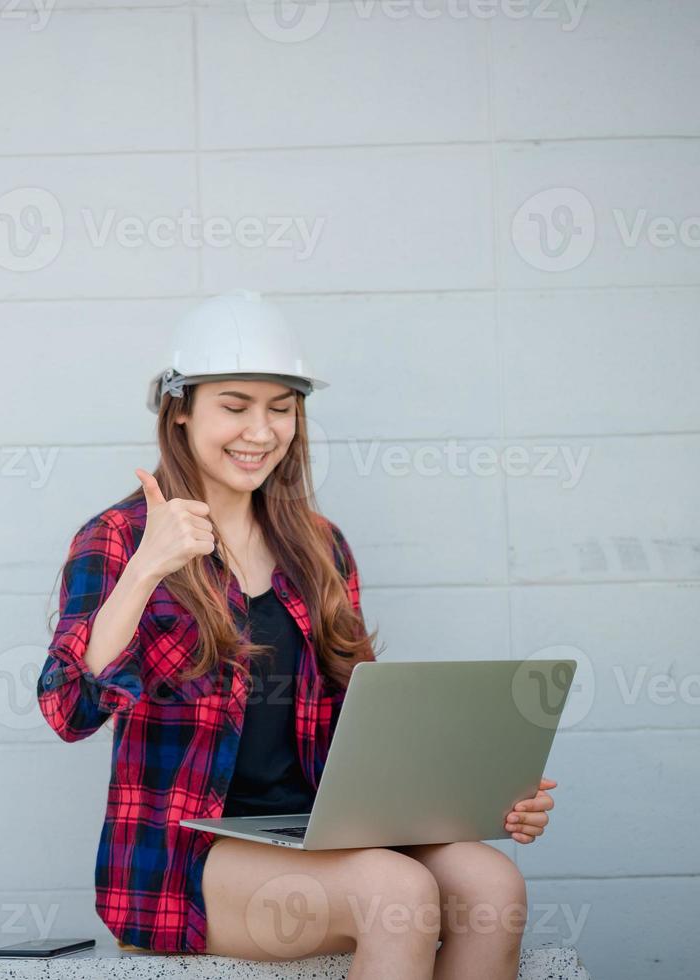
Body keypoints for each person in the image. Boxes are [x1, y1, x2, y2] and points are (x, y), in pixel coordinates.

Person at [37, 290, 558, 979]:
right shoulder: (117, 538)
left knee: (494, 888)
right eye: (235, 406)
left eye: (280, 409)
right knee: (394, 893)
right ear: (181, 408)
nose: (261, 431)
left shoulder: (318, 544)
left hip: (323, 832)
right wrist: (146, 570)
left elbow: (367, 721)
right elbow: (69, 711)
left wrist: (480, 792)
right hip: (184, 857)